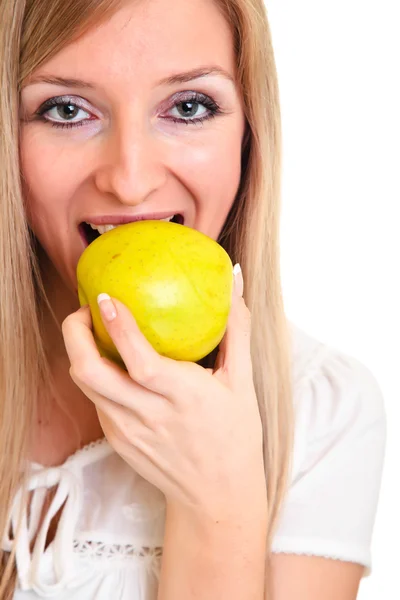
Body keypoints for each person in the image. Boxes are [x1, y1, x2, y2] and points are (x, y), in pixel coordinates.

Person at [0, 0, 386, 598]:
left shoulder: (321, 410)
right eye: (67, 108)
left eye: (188, 107)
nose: (129, 179)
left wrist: (219, 502)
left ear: (249, 131)